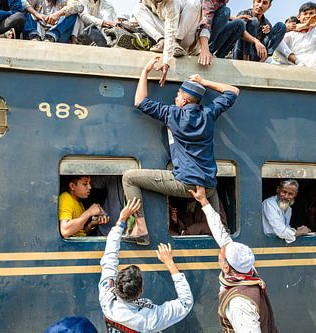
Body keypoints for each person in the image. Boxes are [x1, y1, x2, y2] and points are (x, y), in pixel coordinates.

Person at [121, 56, 239, 246]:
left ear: (183, 100)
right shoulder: (208, 113)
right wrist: (203, 82)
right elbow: (233, 91)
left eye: (177, 95)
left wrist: (145, 71)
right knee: (217, 219)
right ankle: (224, 238)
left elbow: (139, 101)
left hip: (185, 183)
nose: (175, 98)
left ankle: (140, 228)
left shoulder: (172, 114)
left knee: (129, 177)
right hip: (208, 186)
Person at [189, 185, 278, 333]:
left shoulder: (239, 303)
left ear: (226, 267)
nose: (221, 250)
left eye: (221, 254)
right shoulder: (246, 271)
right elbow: (222, 235)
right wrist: (204, 201)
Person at [99, 197, 194, 333]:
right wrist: (170, 264)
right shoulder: (151, 319)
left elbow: (109, 258)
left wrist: (121, 220)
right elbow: (186, 302)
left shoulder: (107, 299)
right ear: (141, 290)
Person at [132, 0, 202, 85]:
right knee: (138, 9)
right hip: (166, 36)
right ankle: (161, 41)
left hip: (184, 36)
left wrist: (166, 62)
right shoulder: (146, 1)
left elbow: (170, 31)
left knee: (194, 2)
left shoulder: (172, 3)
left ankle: (177, 42)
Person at [274, 2, 316, 67]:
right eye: (305, 14)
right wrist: (305, 25)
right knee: (276, 38)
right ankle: (297, 61)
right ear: (298, 17)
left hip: (314, 60)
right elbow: (274, 36)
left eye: (311, 13)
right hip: (294, 61)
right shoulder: (292, 33)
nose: (308, 16)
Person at [262, 179, 311, 244]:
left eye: (290, 194)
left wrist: (297, 231)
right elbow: (281, 231)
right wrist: (299, 232)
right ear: (278, 189)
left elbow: (285, 228)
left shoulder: (288, 209)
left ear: (295, 194)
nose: (286, 196)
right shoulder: (269, 203)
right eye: (284, 192)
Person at [197, 0, 245, 66]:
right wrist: (204, 48)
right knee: (226, 11)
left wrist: (233, 18)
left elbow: (216, 15)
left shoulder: (222, 3)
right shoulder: (208, 2)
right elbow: (206, 23)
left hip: (209, 35)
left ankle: (219, 56)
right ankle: (206, 50)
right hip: (200, 38)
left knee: (240, 24)